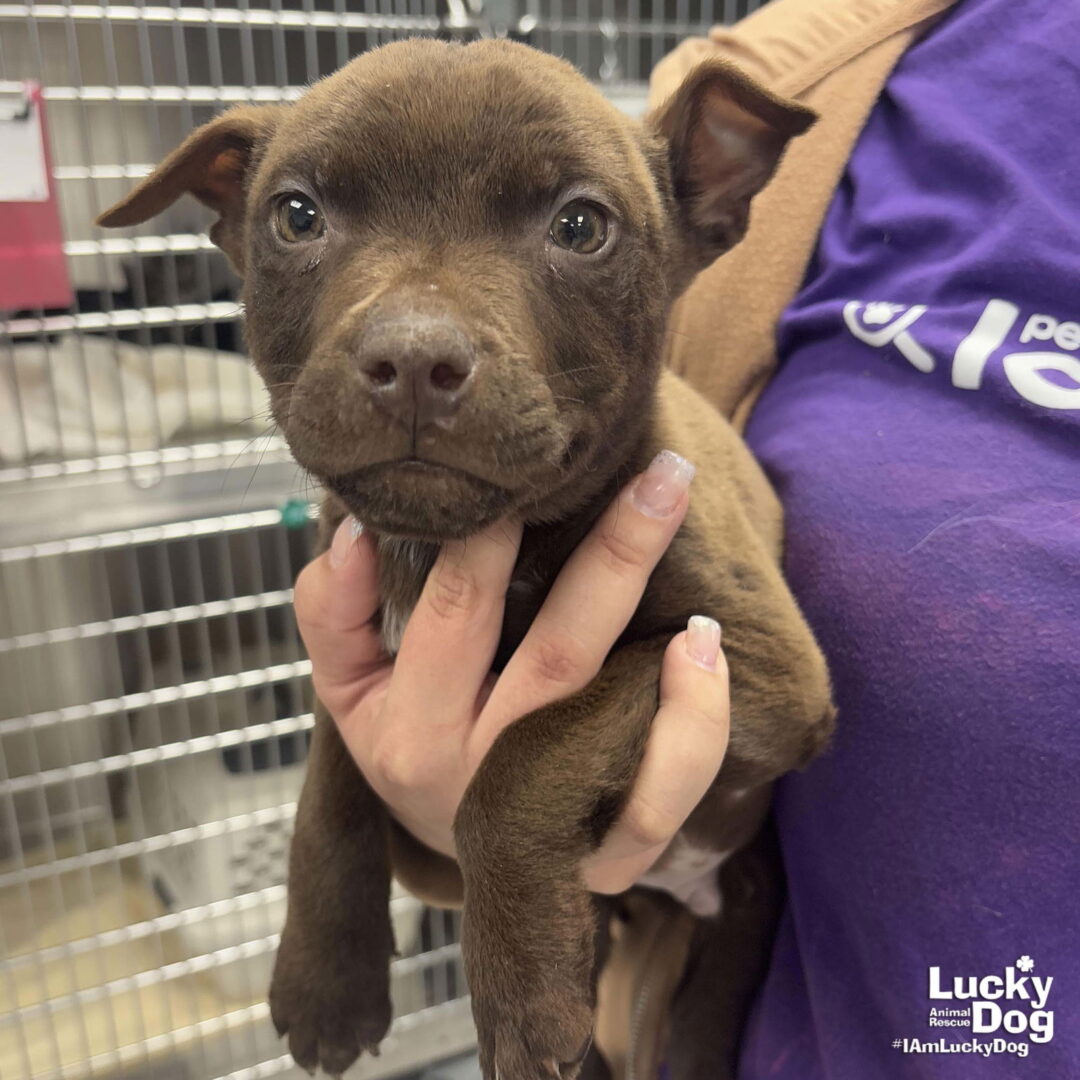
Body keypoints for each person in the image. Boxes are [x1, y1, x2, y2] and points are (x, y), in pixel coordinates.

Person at [293, 0, 1080, 1075]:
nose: (417, 331)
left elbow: (785, 696)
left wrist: (519, 812)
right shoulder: (815, 60)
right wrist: (352, 866)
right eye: (299, 218)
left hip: (771, 923)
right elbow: (369, 680)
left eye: (578, 227)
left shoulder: (651, 431)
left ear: (711, 205)